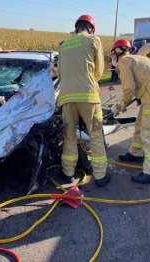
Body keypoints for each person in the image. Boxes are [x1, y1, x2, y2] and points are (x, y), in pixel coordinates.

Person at [110, 39, 150, 184]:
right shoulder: (136, 58)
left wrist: (120, 106)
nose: (112, 59)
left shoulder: (124, 61)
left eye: (112, 55)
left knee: (148, 133)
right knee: (140, 124)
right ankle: (135, 153)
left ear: (118, 52)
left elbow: (128, 88)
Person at [57, 14, 110, 187]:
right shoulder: (94, 40)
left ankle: (68, 173)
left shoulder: (63, 45)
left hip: (66, 96)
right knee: (95, 135)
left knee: (69, 136)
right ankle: (100, 176)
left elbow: (59, 74)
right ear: (91, 28)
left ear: (76, 27)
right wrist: (89, 82)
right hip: (88, 95)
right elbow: (99, 70)